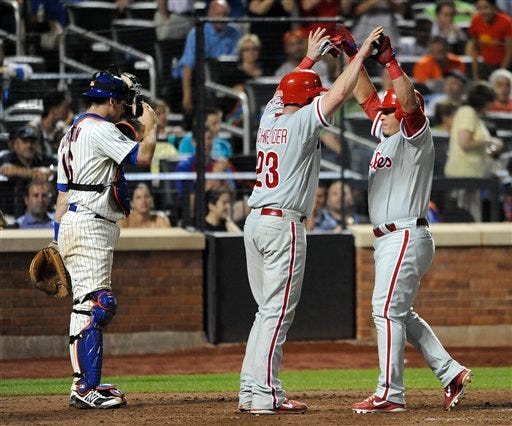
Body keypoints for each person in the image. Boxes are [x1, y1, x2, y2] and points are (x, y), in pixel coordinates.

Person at [238, 25, 384, 415]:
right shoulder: (301, 122)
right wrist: (360, 55)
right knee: (276, 313)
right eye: (312, 95)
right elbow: (337, 94)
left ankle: (251, 390)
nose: (317, 100)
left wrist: (309, 58)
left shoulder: (269, 120)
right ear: (305, 100)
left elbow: (281, 93)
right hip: (282, 225)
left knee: (264, 311)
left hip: (254, 223)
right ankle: (267, 394)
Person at [335, 25, 472, 414]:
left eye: (390, 108)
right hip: (392, 238)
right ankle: (451, 372)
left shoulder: (414, 132)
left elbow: (408, 104)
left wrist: (392, 63)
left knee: (385, 311)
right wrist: (353, 52)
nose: (384, 110)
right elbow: (363, 95)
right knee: (400, 313)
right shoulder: (388, 133)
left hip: (405, 234)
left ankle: (390, 393)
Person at [52, 67, 158, 409]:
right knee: (99, 304)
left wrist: (58, 241)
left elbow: (61, 197)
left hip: (76, 221)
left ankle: (82, 383)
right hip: (90, 225)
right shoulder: (98, 129)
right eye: (123, 100)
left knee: (85, 306)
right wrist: (152, 126)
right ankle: (86, 388)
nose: (127, 105)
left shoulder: (72, 132)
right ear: (111, 100)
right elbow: (142, 157)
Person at [444, 82, 503, 221]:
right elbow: (465, 142)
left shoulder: (474, 115)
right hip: (464, 175)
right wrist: (491, 141)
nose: (492, 105)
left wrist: (491, 149)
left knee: (474, 214)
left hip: (473, 175)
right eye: (490, 101)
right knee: (467, 216)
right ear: (483, 101)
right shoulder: (467, 112)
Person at [173, 0, 241, 119]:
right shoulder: (197, 33)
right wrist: (187, 96)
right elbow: (187, 66)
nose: (221, 18)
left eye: (224, 15)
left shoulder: (234, 32)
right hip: (198, 81)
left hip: (223, 81)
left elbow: (235, 62)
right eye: (218, 14)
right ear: (209, 14)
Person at [0, 125, 56, 217]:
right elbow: (6, 169)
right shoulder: (6, 157)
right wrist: (35, 173)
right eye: (25, 141)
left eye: (32, 142)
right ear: (16, 144)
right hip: (9, 215)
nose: (29, 145)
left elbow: (58, 168)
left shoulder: (43, 159)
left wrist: (52, 170)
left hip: (43, 217)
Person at [465, 0, 512, 81]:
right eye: (479, 8)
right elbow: (475, 49)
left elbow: (510, 51)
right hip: (486, 65)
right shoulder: (475, 21)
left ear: (493, 7)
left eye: (486, 7)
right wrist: (476, 74)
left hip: (506, 65)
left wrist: (501, 73)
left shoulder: (506, 22)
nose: (483, 11)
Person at [29, 90, 71, 157]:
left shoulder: (61, 128)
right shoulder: (34, 128)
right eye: (65, 108)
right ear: (54, 109)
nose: (68, 111)